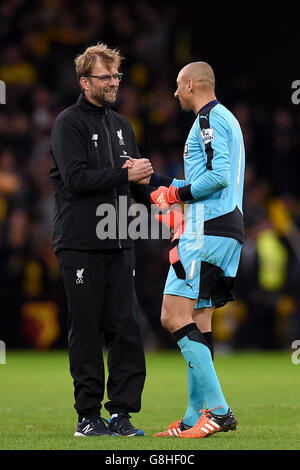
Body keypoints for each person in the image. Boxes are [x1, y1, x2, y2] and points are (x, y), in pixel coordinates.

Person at [49, 42, 154, 437]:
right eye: (105, 77)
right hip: (80, 243)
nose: (113, 83)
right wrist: (124, 175)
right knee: (87, 326)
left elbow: (137, 182)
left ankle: (122, 414)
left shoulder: (122, 126)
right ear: (84, 81)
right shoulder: (68, 123)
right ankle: (88, 417)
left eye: (116, 76)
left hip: (120, 238)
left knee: (125, 326)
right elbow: (75, 179)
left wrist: (173, 198)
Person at [149, 61, 245, 438]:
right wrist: (159, 182)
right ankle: (194, 416)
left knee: (172, 315)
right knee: (199, 319)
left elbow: (216, 176)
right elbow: (217, 176)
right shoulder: (229, 119)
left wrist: (174, 193)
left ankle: (219, 411)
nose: (174, 93)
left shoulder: (207, 118)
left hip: (207, 230)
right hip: (226, 226)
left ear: (190, 84)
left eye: (177, 86)